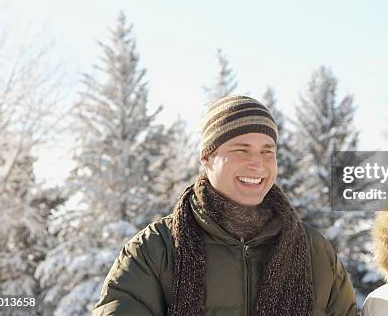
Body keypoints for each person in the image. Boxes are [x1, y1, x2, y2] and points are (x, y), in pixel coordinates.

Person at [94, 95, 358, 315]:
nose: (257, 163)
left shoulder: (315, 252)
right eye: (240, 150)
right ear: (207, 158)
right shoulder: (156, 249)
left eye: (268, 151)